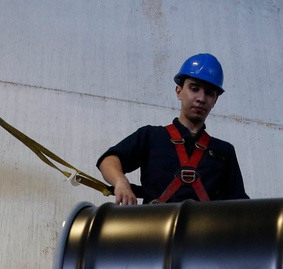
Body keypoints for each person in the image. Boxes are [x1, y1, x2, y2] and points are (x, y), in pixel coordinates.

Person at [97, 53, 248, 205]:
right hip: (156, 226)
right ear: (179, 91)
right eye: (194, 89)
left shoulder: (224, 151)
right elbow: (109, 160)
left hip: (205, 228)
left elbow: (240, 206)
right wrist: (120, 182)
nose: (201, 98)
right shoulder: (151, 137)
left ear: (215, 100)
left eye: (209, 93)